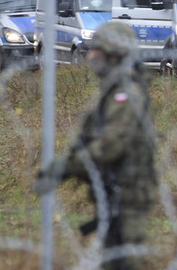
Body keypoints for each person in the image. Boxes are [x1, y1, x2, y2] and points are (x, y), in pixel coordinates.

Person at [35, 22, 158, 270]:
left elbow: (111, 145)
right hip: (115, 191)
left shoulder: (126, 93)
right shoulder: (113, 89)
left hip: (127, 192)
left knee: (123, 262)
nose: (90, 56)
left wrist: (65, 167)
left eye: (96, 50)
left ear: (113, 54)